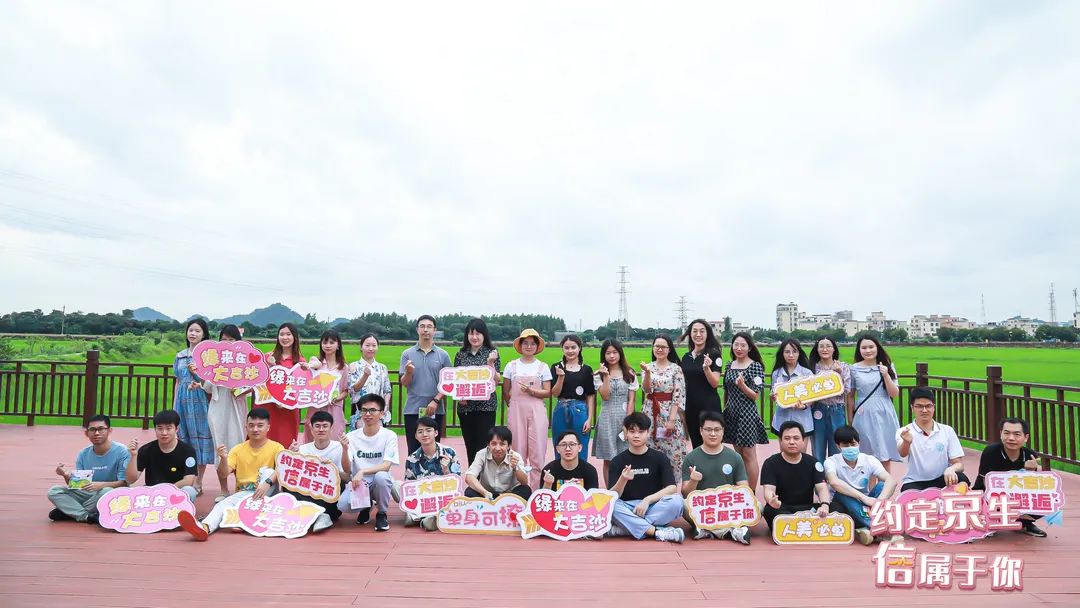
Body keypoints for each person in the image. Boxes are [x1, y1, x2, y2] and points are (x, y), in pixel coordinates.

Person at [178, 408, 332, 540]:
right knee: (222, 505)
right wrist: (223, 459)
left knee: (268, 471)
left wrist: (267, 483)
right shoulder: (238, 449)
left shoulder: (276, 447)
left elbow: (282, 469)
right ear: (246, 427)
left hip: (268, 493)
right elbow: (224, 474)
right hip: (245, 494)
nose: (255, 429)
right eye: (251, 426)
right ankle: (204, 528)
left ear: (268, 427)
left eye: (260, 425)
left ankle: (240, 519)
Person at [607, 412, 684, 543]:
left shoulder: (660, 458)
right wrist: (623, 479)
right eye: (632, 431)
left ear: (648, 433)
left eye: (641, 432)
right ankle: (655, 531)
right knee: (611, 505)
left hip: (653, 506)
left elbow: (672, 488)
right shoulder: (617, 461)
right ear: (626, 433)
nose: (636, 435)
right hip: (628, 507)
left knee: (677, 501)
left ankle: (627, 528)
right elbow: (612, 495)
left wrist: (647, 500)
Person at [680, 411, 751, 544]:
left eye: (717, 430)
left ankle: (706, 530)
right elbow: (685, 494)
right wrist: (694, 480)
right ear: (701, 431)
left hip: (727, 506)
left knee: (758, 506)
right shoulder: (691, 458)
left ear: (723, 431)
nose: (713, 434)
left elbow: (744, 488)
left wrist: (734, 492)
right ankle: (731, 530)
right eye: (708, 430)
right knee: (681, 505)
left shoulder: (735, 457)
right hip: (703, 508)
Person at [972, 417, 1046, 537]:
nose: (1011, 438)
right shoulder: (990, 452)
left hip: (1016, 498)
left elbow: (1037, 487)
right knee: (978, 501)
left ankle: (1025, 523)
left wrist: (1033, 471)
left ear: (1026, 437)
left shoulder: (1029, 455)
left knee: (1046, 500)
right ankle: (990, 520)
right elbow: (986, 483)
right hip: (990, 496)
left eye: (1017, 434)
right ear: (1001, 434)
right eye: (1006, 433)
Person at [48, 414, 130, 523]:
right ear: (86, 433)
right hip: (90, 494)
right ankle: (86, 516)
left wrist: (100, 485)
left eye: (101, 429)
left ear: (109, 430)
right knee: (54, 491)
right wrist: (66, 476)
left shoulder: (122, 452)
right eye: (92, 430)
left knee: (107, 492)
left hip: (111, 494)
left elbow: (124, 483)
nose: (96, 433)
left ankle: (71, 512)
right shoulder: (83, 454)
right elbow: (79, 486)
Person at [824, 425, 897, 545]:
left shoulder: (869, 460)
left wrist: (879, 502)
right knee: (843, 493)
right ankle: (879, 529)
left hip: (866, 505)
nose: (850, 448)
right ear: (838, 446)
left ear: (859, 443)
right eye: (845, 445)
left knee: (882, 485)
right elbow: (834, 482)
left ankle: (866, 529)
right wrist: (863, 497)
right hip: (842, 503)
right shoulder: (831, 461)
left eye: (853, 444)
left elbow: (891, 480)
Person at [202, 324, 250, 502]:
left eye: (231, 339)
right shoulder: (213, 360)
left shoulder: (244, 361)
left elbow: (252, 385)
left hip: (237, 408)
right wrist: (199, 374)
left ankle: (239, 487)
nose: (227, 343)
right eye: (224, 339)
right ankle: (223, 490)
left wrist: (240, 389)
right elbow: (207, 387)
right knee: (220, 447)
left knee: (239, 445)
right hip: (218, 408)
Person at [338, 394, 399, 531]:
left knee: (382, 477)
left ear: (382, 413)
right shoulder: (351, 436)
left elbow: (386, 466)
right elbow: (347, 469)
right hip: (359, 482)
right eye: (364, 410)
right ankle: (366, 506)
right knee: (343, 505)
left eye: (372, 410)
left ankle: (382, 513)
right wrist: (344, 449)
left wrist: (362, 471)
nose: (367, 414)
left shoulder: (389, 435)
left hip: (379, 479)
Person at [502, 329, 552, 490]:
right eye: (525, 343)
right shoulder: (511, 366)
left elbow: (548, 392)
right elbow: (505, 391)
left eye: (532, 344)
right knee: (517, 451)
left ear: (537, 346)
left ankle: (536, 491)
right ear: (520, 345)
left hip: (537, 411)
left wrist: (532, 391)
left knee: (538, 451)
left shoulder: (543, 367)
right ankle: (518, 490)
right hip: (516, 411)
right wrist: (513, 405)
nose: (529, 346)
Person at [760, 421, 831, 530]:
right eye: (787, 438)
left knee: (837, 507)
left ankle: (798, 525)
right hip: (782, 508)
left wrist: (825, 505)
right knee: (769, 510)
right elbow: (769, 490)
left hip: (807, 509)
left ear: (803, 440)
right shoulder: (770, 463)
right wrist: (772, 501)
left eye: (796, 438)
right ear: (780, 441)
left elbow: (822, 488)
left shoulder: (813, 463)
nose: (792, 442)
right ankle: (807, 525)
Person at [896, 387, 969, 491]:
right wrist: (906, 442)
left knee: (961, 478)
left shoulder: (947, 430)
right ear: (912, 408)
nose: (924, 410)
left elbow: (959, 464)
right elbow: (902, 453)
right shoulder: (904, 432)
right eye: (919, 406)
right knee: (907, 492)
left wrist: (951, 469)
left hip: (942, 479)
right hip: (915, 482)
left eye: (928, 406)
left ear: (934, 407)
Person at [723, 332, 769, 490]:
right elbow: (726, 390)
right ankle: (740, 489)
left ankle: (751, 491)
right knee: (737, 455)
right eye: (736, 344)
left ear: (749, 348)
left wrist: (742, 386)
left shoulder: (755, 366)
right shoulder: (729, 365)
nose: (739, 348)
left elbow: (755, 394)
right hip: (732, 412)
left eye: (743, 345)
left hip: (747, 413)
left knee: (749, 454)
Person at [285, 410, 348, 525]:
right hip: (309, 493)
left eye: (325, 426)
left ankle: (317, 513)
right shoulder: (303, 449)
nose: (321, 429)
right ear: (311, 428)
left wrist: (331, 469)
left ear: (331, 428)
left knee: (340, 483)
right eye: (317, 426)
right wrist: (291, 457)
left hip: (330, 500)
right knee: (289, 483)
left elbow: (347, 478)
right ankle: (317, 514)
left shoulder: (340, 447)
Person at [400, 315, 451, 455]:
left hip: (435, 410)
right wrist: (408, 372)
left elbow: (448, 383)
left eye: (429, 327)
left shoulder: (443, 355)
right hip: (412, 409)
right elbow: (404, 383)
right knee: (413, 451)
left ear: (434, 330)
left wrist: (436, 401)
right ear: (417, 329)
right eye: (422, 326)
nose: (426, 330)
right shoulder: (407, 354)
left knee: (433, 451)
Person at [453, 318, 501, 467]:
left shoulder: (492, 353)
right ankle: (472, 477)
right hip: (466, 407)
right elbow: (456, 379)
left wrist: (490, 363)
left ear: (484, 335)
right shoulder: (461, 355)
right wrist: (460, 396)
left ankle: (484, 477)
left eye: (478, 334)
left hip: (486, 407)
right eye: (471, 334)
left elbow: (496, 380)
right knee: (470, 444)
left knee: (484, 445)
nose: (474, 337)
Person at [173, 317, 214, 495]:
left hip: (200, 399)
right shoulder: (180, 356)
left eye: (197, 331)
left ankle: (198, 481)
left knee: (200, 438)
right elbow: (178, 380)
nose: (193, 333)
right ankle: (185, 479)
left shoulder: (208, 357)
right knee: (183, 438)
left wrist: (196, 374)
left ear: (204, 334)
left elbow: (210, 382)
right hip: (183, 399)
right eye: (191, 330)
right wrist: (175, 403)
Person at [640, 334, 688, 481]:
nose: (659, 349)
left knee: (672, 449)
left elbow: (678, 395)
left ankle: (672, 485)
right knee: (649, 448)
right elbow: (646, 389)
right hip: (650, 412)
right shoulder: (647, 367)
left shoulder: (676, 369)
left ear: (669, 349)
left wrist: (672, 419)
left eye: (663, 347)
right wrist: (648, 373)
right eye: (657, 346)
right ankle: (652, 485)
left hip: (669, 413)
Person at [124, 409, 198, 503]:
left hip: (175, 492)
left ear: (177, 429)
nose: (164, 433)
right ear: (155, 429)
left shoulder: (188, 451)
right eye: (160, 428)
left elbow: (189, 480)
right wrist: (133, 456)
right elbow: (130, 480)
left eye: (168, 428)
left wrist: (164, 491)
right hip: (152, 494)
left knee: (189, 491)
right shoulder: (146, 450)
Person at [851, 335, 901, 472]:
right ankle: (869, 485)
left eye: (871, 347)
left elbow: (894, 393)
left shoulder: (887, 366)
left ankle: (886, 484)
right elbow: (850, 396)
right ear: (859, 350)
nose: (868, 350)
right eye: (864, 348)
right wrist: (850, 419)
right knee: (865, 455)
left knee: (885, 454)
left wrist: (886, 375)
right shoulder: (854, 369)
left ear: (877, 348)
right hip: (863, 414)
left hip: (884, 412)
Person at [404, 416, 462, 530]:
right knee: (397, 486)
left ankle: (420, 518)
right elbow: (408, 487)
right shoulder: (411, 459)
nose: (424, 434)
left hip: (443, 497)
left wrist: (446, 470)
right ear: (416, 436)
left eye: (428, 430)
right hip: (422, 497)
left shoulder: (450, 453)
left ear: (436, 433)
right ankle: (423, 517)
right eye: (420, 432)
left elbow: (457, 484)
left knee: (453, 502)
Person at [592, 339, 637, 485]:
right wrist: (606, 376)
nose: (612, 356)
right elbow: (605, 396)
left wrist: (628, 424)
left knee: (626, 456)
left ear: (620, 353)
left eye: (615, 352)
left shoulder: (629, 373)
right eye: (608, 353)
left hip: (624, 417)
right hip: (607, 418)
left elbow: (631, 400)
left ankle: (625, 488)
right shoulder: (598, 375)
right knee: (608, 458)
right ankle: (610, 490)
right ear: (603, 355)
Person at [550, 334, 596, 459]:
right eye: (566, 348)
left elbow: (590, 395)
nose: (570, 351)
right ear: (562, 349)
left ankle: (581, 471)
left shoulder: (586, 370)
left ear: (579, 348)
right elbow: (555, 393)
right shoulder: (556, 367)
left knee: (581, 444)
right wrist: (560, 377)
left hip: (580, 409)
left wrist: (589, 418)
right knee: (560, 444)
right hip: (561, 408)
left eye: (573, 347)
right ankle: (560, 471)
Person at [680, 319, 723, 449]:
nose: (698, 334)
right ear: (690, 334)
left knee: (712, 443)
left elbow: (715, 383)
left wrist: (706, 368)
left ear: (707, 334)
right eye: (695, 331)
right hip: (691, 407)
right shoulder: (686, 357)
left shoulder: (714, 354)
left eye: (702, 331)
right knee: (696, 444)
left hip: (709, 406)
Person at [807, 336, 852, 460]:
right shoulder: (812, 368)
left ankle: (835, 473)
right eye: (821, 346)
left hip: (837, 409)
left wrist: (839, 374)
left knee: (837, 447)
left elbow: (846, 390)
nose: (825, 349)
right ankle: (819, 472)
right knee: (818, 447)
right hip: (818, 409)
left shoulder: (843, 366)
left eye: (828, 346)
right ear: (817, 349)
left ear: (834, 349)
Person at [264, 322, 305, 448]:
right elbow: (260, 381)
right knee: (267, 441)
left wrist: (284, 399)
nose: (285, 337)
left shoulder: (300, 361)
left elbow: (301, 385)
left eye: (288, 334)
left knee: (287, 442)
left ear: (294, 337)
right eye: (281, 334)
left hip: (289, 408)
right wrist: (270, 366)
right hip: (269, 405)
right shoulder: (268, 357)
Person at [464, 425, 532, 500]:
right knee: (469, 492)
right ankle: (498, 502)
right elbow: (469, 477)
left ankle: (499, 502)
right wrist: (485, 492)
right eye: (494, 444)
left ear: (509, 446)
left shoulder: (515, 456)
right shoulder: (481, 454)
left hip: (509, 494)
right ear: (488, 445)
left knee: (526, 490)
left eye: (502, 444)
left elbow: (524, 482)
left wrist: (516, 468)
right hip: (487, 493)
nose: (497, 448)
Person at [304, 330, 349, 442]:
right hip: (316, 406)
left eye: (332, 342)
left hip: (334, 407)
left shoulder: (343, 367)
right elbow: (308, 382)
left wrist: (337, 398)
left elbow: (345, 390)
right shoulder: (316, 364)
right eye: (325, 342)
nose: (328, 345)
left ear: (338, 345)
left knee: (335, 437)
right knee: (313, 438)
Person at [769, 339, 814, 442]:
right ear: (782, 354)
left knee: (801, 451)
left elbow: (813, 397)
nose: (791, 355)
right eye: (787, 352)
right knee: (784, 450)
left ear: (799, 353)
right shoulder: (777, 373)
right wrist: (773, 397)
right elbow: (773, 393)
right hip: (782, 419)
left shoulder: (807, 373)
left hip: (802, 419)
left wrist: (804, 406)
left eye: (794, 351)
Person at [347, 334, 393, 429]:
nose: (371, 348)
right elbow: (353, 389)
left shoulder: (382, 368)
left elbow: (387, 390)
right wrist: (365, 376)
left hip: (378, 411)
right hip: (360, 411)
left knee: (378, 436)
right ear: (361, 347)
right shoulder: (354, 366)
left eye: (374, 345)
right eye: (367, 345)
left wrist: (386, 405)